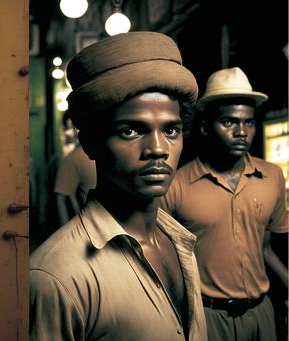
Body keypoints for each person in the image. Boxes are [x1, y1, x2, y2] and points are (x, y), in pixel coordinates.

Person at [30, 32, 207, 340]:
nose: (157, 148)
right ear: (91, 143)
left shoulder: (181, 243)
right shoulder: (56, 276)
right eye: (130, 130)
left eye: (171, 130)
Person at [160, 67, 288, 341]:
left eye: (249, 123)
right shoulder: (176, 186)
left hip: (262, 313)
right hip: (209, 317)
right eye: (229, 122)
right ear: (206, 127)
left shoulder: (272, 177)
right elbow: (163, 265)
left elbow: (265, 248)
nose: (241, 132)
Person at [53, 114, 96, 225]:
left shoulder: (72, 159)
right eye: (67, 128)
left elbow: (60, 200)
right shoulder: (71, 158)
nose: (71, 133)